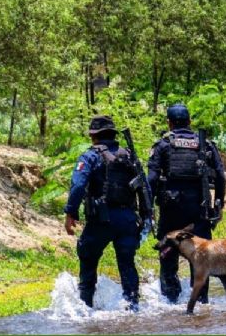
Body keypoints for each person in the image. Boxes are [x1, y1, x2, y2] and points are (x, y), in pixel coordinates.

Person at [63, 115, 153, 310]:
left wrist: (71, 213)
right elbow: (145, 188)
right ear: (112, 134)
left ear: (93, 136)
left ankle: (86, 308)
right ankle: (133, 307)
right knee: (127, 265)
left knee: (88, 260)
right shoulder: (129, 156)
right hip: (128, 219)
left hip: (100, 220)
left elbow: (78, 185)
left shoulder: (90, 156)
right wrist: (147, 217)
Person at [147, 103, 226, 304]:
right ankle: (200, 301)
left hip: (171, 209)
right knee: (201, 257)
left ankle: (171, 301)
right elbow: (221, 177)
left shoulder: (163, 145)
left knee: (168, 255)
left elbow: (152, 179)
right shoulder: (205, 144)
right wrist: (219, 205)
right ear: (190, 122)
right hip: (199, 209)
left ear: (169, 123)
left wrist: (148, 207)